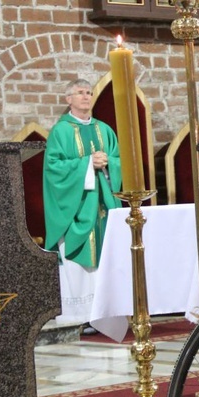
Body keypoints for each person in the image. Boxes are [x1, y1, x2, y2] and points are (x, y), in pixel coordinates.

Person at [43, 78, 123, 326]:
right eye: (79, 93)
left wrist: (109, 163)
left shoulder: (104, 129)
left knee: (107, 257)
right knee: (78, 264)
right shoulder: (61, 131)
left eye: (89, 93)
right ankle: (80, 318)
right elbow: (53, 168)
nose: (86, 97)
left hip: (103, 205)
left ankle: (107, 314)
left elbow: (120, 159)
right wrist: (88, 163)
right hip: (75, 209)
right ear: (68, 99)